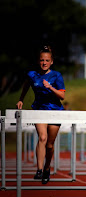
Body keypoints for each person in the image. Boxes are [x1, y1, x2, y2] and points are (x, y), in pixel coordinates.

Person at [16, 46, 66, 184]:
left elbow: (62, 95)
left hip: (55, 111)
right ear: (38, 61)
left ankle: (47, 167)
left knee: (50, 145)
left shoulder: (57, 76)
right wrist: (21, 99)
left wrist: (50, 87)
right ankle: (38, 169)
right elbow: (26, 85)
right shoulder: (32, 75)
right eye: (42, 60)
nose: (44, 63)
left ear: (51, 62)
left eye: (47, 60)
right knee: (42, 138)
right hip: (39, 110)